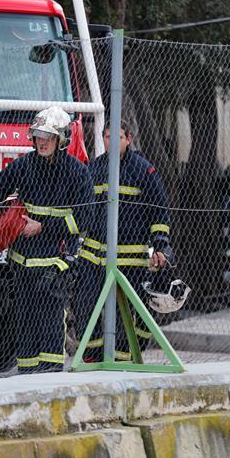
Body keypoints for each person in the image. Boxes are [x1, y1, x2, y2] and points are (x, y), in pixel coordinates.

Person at [0, 107, 92, 373]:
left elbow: (85, 221)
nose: (41, 141)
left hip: (54, 262)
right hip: (21, 262)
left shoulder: (77, 172)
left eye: (48, 136)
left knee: (50, 325)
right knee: (25, 327)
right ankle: (27, 378)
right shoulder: (23, 165)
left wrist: (43, 227)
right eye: (37, 135)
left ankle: (49, 378)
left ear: (62, 139)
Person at [73, 121, 173, 361]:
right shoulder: (93, 169)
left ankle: (123, 358)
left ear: (129, 138)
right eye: (107, 137)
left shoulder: (144, 171)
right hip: (93, 257)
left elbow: (158, 212)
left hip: (130, 258)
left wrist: (160, 245)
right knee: (85, 306)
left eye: (117, 136)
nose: (112, 141)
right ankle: (93, 356)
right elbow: (82, 210)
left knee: (126, 312)